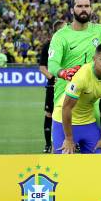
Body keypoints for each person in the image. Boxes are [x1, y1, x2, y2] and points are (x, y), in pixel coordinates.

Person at [47, 0, 101, 109]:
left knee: (93, 126)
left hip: (90, 97)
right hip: (65, 94)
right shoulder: (60, 36)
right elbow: (52, 64)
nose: (83, 9)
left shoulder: (100, 31)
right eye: (79, 6)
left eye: (87, 6)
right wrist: (63, 73)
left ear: (91, 9)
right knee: (63, 127)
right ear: (72, 10)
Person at [52, 44, 101, 154]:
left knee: (100, 159)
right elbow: (66, 108)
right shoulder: (82, 76)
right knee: (63, 162)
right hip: (63, 121)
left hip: (88, 122)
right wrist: (69, 139)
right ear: (94, 59)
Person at [38, 20, 65, 153]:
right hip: (53, 86)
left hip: (68, 85)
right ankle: (48, 144)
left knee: (72, 112)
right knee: (49, 114)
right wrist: (53, 78)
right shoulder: (48, 46)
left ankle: (73, 141)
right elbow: (42, 67)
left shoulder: (71, 43)